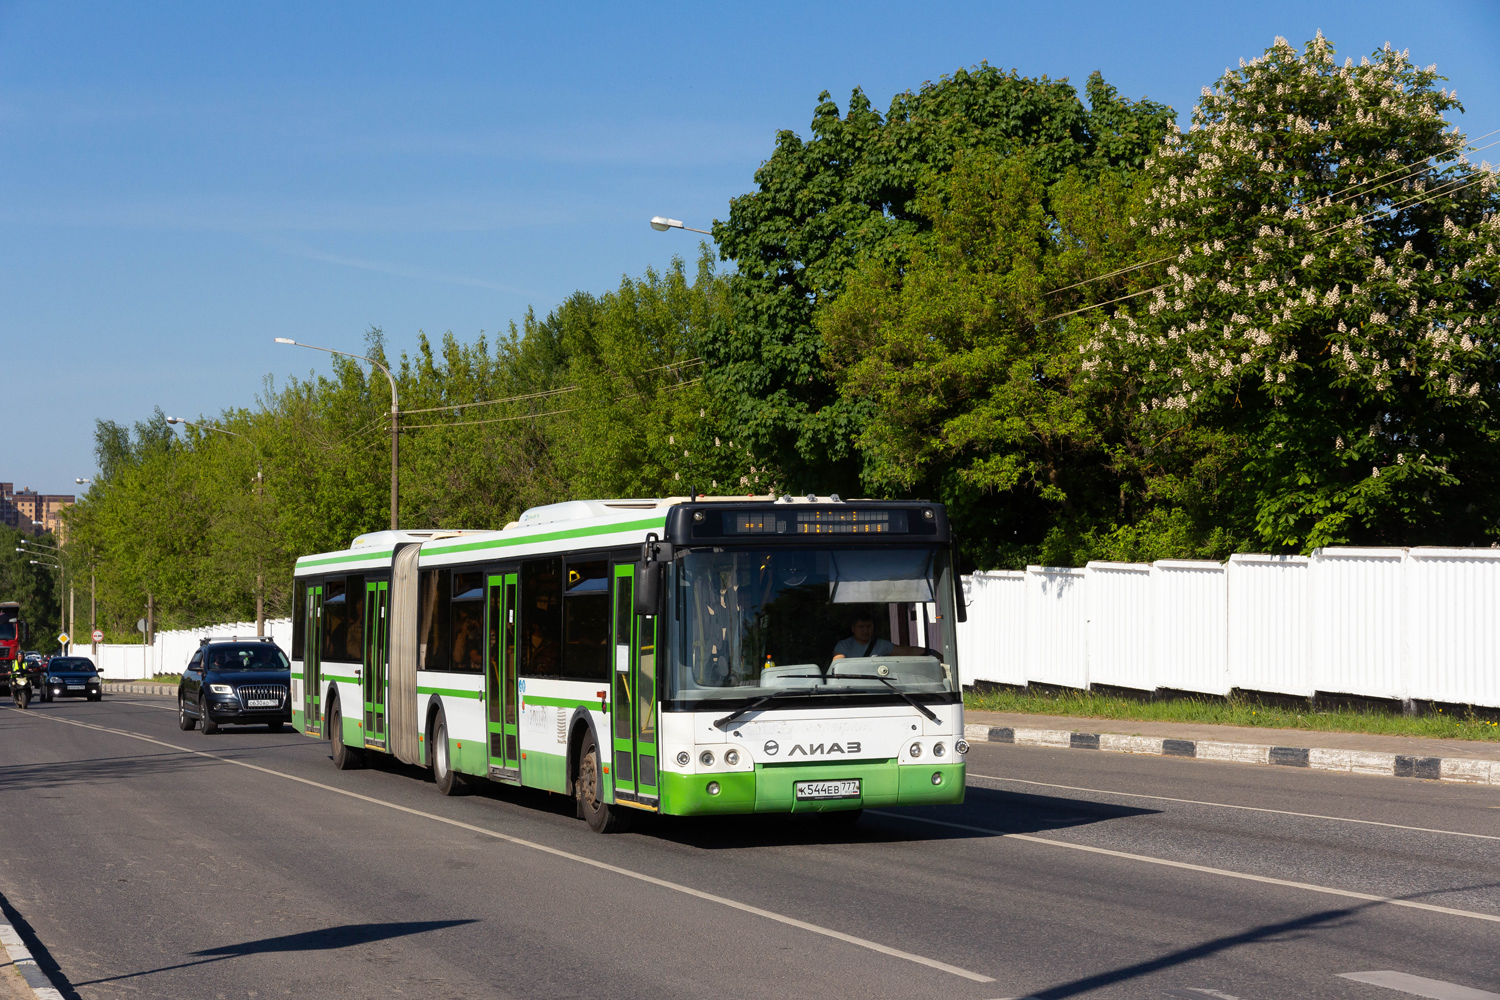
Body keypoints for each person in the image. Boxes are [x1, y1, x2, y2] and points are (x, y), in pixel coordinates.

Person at [831, 611, 929, 661]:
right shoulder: (843, 646)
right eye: (861, 627)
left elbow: (906, 651)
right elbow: (839, 665)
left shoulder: (881, 644)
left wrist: (930, 652)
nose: (865, 630)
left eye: (868, 626)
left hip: (878, 689)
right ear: (853, 628)